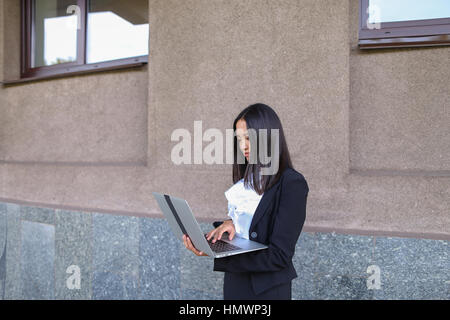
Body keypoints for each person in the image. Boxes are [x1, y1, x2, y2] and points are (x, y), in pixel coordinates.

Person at [183, 103, 309, 300]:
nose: (243, 146)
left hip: (267, 291)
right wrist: (226, 226)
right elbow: (251, 225)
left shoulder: (292, 183)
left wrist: (218, 257)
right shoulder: (247, 180)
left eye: (249, 138)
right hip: (236, 282)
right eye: (239, 139)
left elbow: (279, 256)